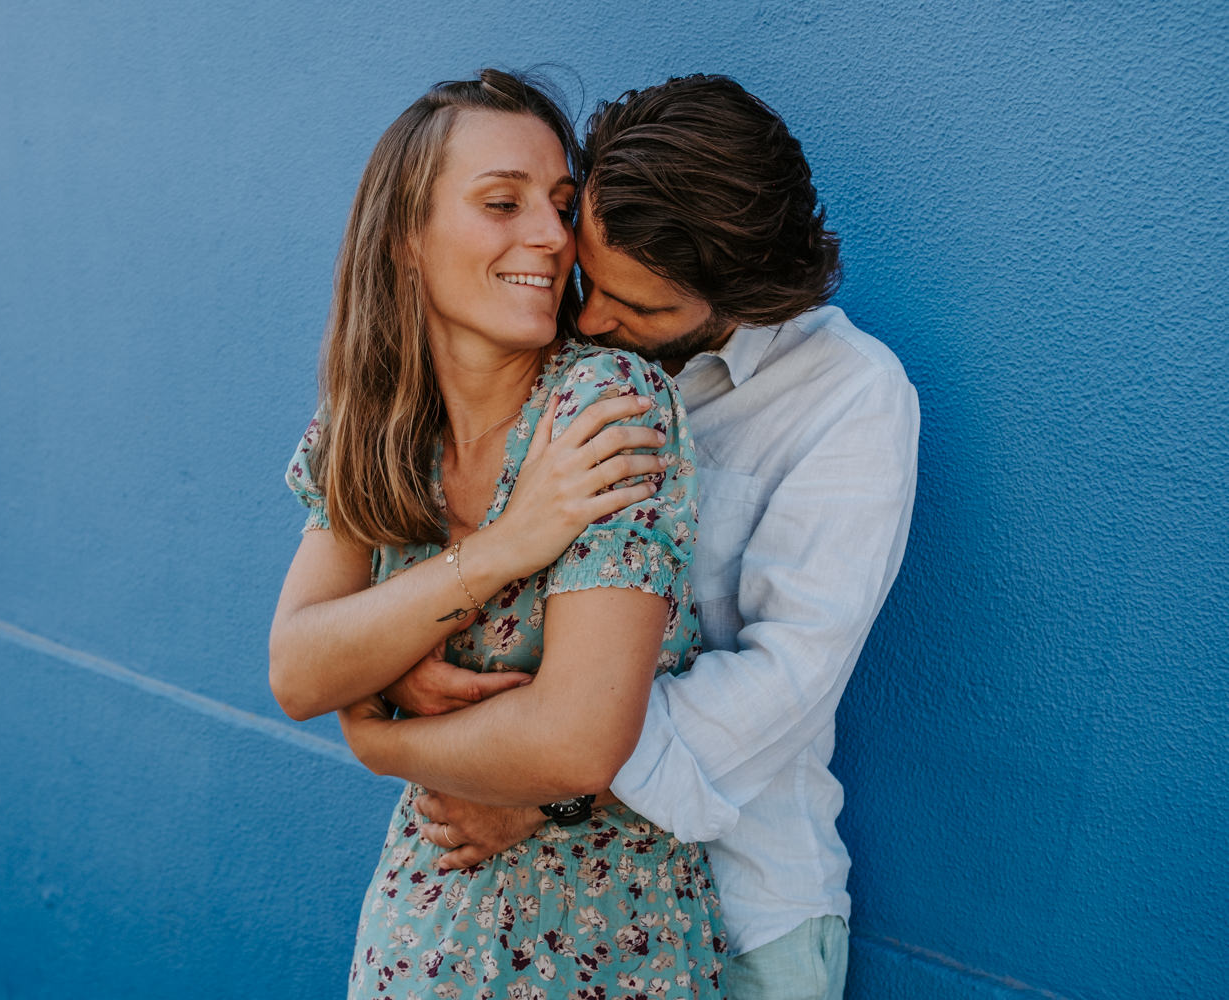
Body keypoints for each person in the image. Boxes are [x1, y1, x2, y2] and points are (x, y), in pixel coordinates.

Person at [340, 75, 920, 1000]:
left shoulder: (851, 399)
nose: (593, 319)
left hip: (746, 911)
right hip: (539, 917)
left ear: (747, 297)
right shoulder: (560, 363)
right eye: (591, 279)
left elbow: (786, 678)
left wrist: (545, 782)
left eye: (640, 311)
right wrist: (410, 656)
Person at [269, 70, 729, 997]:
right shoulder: (370, 427)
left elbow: (574, 742)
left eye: (561, 206)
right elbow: (298, 668)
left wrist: (379, 737)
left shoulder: (606, 405)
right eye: (501, 203)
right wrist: (510, 544)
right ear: (406, 237)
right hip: (422, 932)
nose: (554, 240)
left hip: (606, 948)